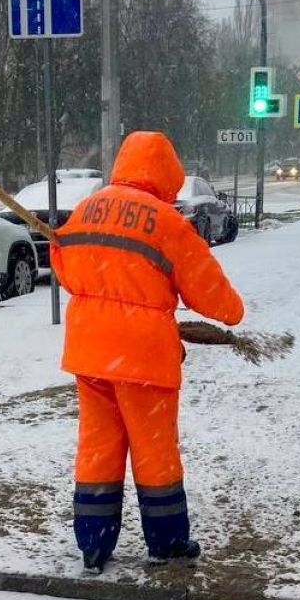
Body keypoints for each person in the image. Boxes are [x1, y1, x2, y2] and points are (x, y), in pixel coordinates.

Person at [49, 131, 245, 574]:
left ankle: (94, 544)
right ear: (165, 173)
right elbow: (209, 291)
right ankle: (167, 542)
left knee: (98, 447)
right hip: (143, 359)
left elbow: (62, 264)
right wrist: (233, 312)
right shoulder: (166, 222)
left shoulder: (86, 209)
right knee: (154, 451)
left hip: (90, 353)